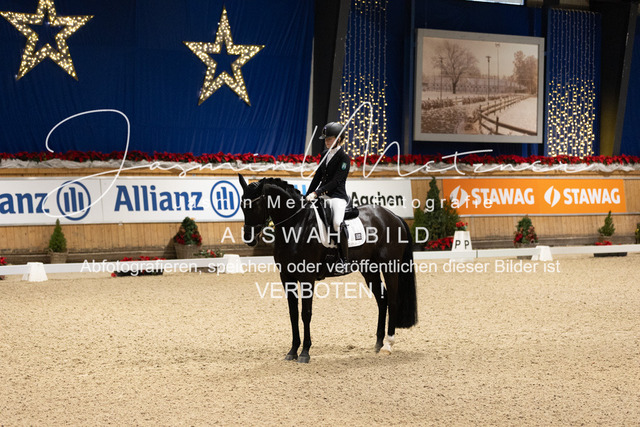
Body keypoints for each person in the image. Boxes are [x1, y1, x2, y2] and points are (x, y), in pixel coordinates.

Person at [305, 122, 351, 262]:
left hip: (337, 196)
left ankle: (344, 259)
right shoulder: (325, 154)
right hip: (322, 195)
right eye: (325, 139)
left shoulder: (344, 158)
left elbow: (336, 181)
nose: (326, 142)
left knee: (337, 223)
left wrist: (317, 193)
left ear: (339, 139)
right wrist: (307, 194)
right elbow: (318, 176)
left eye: (329, 139)